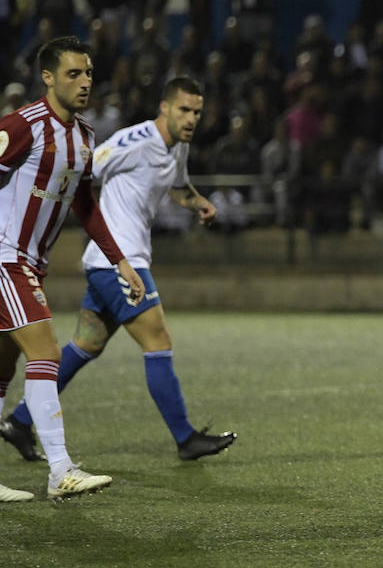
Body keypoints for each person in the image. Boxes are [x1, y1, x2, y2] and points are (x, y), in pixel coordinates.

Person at [3, 76, 235, 462]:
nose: (191, 118)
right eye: (184, 110)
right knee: (157, 339)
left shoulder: (177, 145)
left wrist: (198, 203)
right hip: (120, 262)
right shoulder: (137, 141)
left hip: (110, 263)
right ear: (165, 107)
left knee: (85, 346)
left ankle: (19, 421)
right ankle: (185, 438)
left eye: (196, 111)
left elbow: (177, 186)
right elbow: (86, 166)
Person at [0, 37, 146, 501]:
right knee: (47, 353)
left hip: (30, 264)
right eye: (73, 74)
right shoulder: (22, 126)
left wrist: (120, 259)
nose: (84, 82)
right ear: (47, 77)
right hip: (6, 259)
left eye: (88, 74)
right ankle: (60, 470)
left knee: (3, 371)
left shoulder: (83, 136)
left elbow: (85, 205)